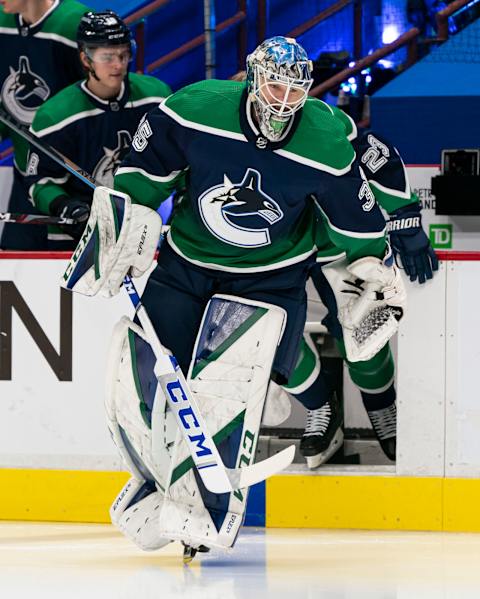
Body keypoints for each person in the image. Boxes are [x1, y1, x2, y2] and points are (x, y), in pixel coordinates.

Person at [63, 36, 406, 556]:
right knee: (147, 377)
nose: (284, 102)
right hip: (185, 265)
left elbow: (356, 225)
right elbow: (141, 179)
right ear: (251, 77)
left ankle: (217, 496)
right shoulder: (192, 110)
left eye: (297, 91)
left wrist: (368, 268)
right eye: (274, 85)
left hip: (271, 275)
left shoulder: (324, 139)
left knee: (239, 380)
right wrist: (123, 219)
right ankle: (161, 483)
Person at [287, 114, 438, 468]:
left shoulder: (314, 119)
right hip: (268, 253)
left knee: (363, 333)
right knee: (268, 334)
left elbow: (374, 151)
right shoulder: (221, 131)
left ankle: (383, 408)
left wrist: (404, 214)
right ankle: (320, 406)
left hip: (335, 247)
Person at [25, 10, 172, 250]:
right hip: (77, 239)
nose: (118, 65)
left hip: (142, 232)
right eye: (108, 57)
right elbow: (38, 181)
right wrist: (65, 206)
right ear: (86, 59)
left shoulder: (157, 97)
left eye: (124, 55)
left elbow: (179, 157)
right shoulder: (55, 115)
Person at [0, 0, 90, 250]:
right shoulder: (2, 22)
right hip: (27, 177)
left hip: (75, 186)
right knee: (15, 270)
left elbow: (99, 101)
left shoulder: (77, 24)